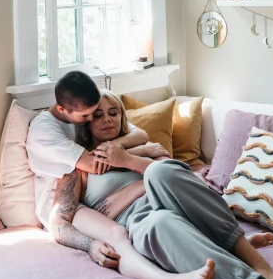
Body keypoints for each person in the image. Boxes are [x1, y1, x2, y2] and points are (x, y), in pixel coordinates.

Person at [50, 91, 273, 279]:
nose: (107, 119)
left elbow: (187, 181)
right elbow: (59, 221)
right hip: (140, 223)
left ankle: (251, 256)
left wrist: (128, 160)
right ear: (85, 122)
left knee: (160, 170)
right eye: (97, 115)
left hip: (181, 205)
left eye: (114, 112)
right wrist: (90, 245)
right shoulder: (78, 167)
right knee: (160, 221)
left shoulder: (144, 150)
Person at [26, 71, 169, 230]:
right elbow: (94, 164)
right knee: (120, 234)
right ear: (62, 109)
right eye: (90, 116)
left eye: (112, 113)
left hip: (100, 192)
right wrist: (142, 151)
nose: (90, 119)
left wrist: (113, 146)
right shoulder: (44, 129)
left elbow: (140, 135)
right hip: (63, 207)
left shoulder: (81, 111)